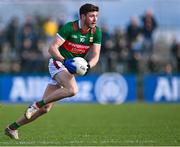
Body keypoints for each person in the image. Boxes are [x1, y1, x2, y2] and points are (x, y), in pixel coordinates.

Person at [4, 3, 102, 140]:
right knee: (72, 90)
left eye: (96, 16)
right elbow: (52, 48)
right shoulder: (70, 27)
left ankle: (12, 128)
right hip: (58, 63)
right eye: (91, 16)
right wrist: (64, 60)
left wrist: (89, 67)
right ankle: (36, 104)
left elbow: (96, 55)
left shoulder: (96, 32)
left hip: (69, 70)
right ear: (83, 16)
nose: (95, 19)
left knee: (45, 110)